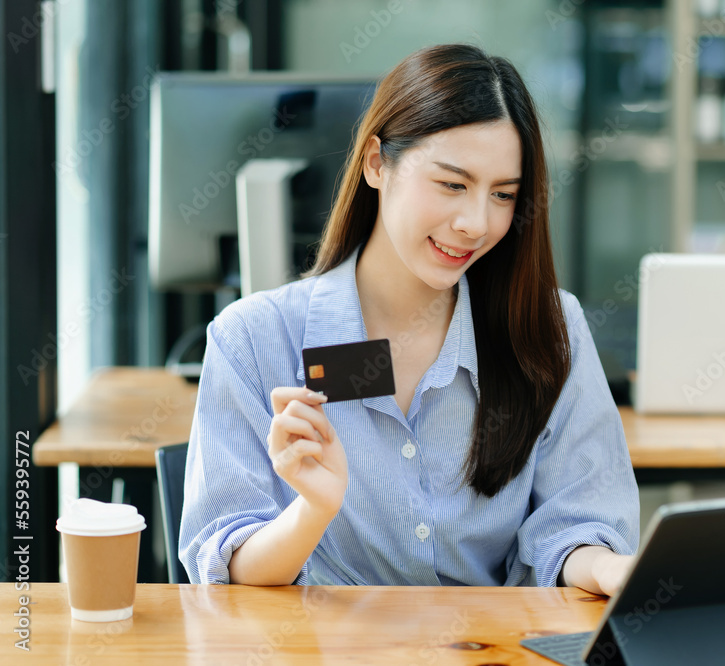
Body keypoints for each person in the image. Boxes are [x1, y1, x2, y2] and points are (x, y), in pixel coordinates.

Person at [179, 43, 639, 596]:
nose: (475, 222)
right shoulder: (253, 339)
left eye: (503, 195)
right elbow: (225, 566)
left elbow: (575, 523)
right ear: (377, 163)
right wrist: (314, 511)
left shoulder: (548, 328)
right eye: (452, 184)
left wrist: (612, 568)